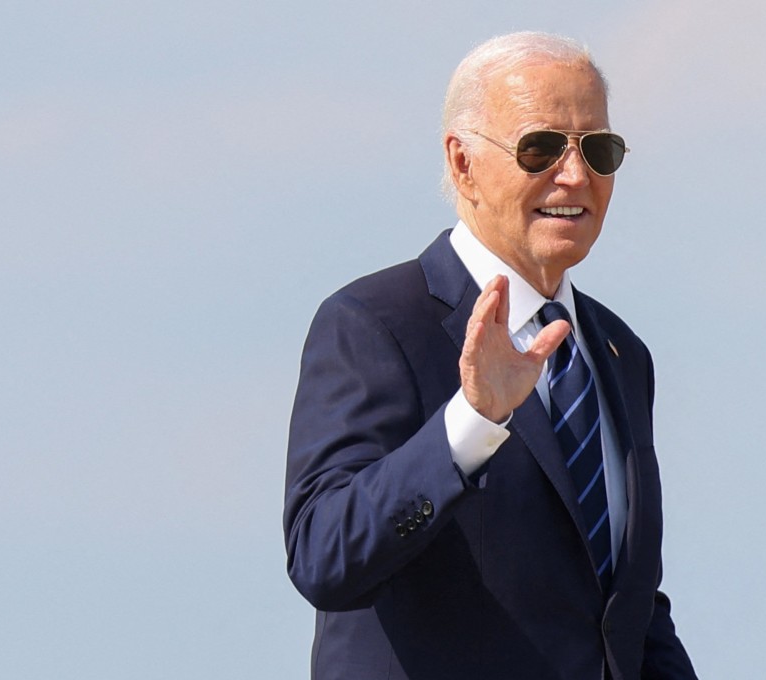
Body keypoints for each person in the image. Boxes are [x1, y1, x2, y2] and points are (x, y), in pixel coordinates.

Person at [283, 32, 698, 680]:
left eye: (599, 149)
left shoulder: (620, 353)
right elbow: (324, 556)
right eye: (540, 148)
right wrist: (471, 423)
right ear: (463, 164)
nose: (575, 175)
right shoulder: (375, 325)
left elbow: (624, 612)